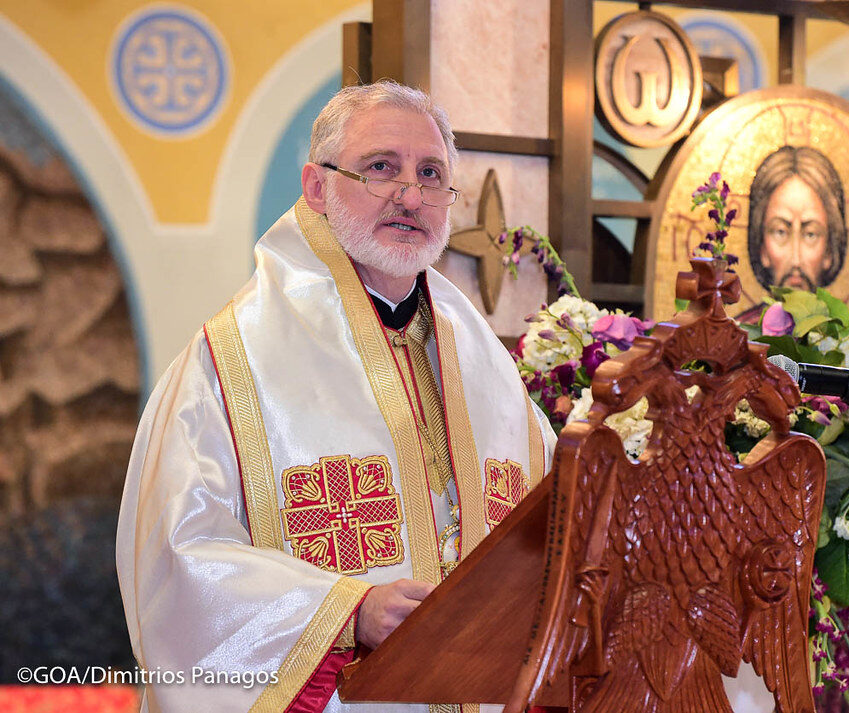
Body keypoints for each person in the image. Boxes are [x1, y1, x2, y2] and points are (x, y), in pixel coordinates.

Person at [116, 80, 556, 713]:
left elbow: (549, 527)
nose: (410, 195)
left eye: (431, 174)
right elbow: (178, 559)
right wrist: (349, 612)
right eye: (381, 168)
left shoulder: (486, 363)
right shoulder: (230, 362)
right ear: (316, 186)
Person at [747, 145, 847, 292]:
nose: (796, 260)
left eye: (810, 235)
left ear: (829, 251)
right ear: (762, 249)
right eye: (780, 232)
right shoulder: (728, 316)